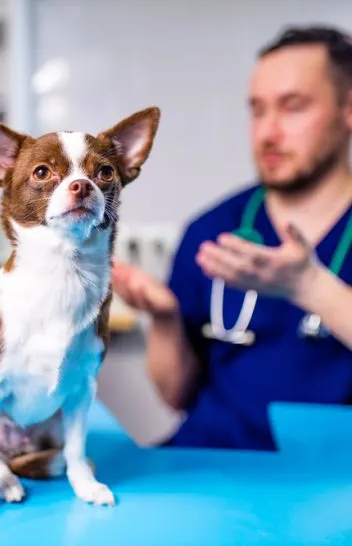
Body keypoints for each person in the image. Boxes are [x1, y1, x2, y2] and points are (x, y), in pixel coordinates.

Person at [113, 25, 352, 451]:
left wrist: (310, 287)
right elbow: (175, 396)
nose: (268, 132)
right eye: (258, 111)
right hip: (209, 462)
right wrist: (166, 322)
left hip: (328, 476)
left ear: (347, 110)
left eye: (292, 107)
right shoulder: (212, 230)